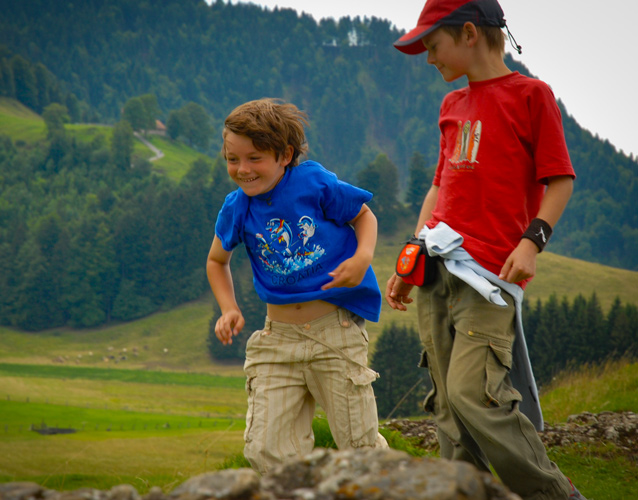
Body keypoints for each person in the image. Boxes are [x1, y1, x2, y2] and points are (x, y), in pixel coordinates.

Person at [385, 1, 587, 499]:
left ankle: (558, 496)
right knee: (449, 411)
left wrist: (532, 242)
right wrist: (412, 254)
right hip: (435, 270)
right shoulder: (451, 105)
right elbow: (439, 187)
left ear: (470, 33)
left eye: (434, 45)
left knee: (473, 394)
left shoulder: (531, 95)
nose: (430, 57)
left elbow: (560, 180)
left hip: (489, 277)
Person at [207, 98, 388, 474]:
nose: (243, 169)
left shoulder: (313, 183)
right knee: (266, 451)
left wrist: (362, 258)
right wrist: (229, 308)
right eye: (232, 159)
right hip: (277, 340)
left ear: (285, 155)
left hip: (335, 334)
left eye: (255, 158)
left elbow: (363, 215)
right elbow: (216, 261)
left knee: (360, 447)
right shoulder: (237, 207)